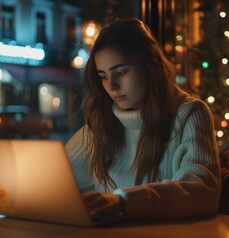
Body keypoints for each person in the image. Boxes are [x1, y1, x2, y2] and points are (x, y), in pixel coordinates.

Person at [65, 18, 220, 218]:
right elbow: (55, 179)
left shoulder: (190, 113)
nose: (111, 86)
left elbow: (200, 191)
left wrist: (122, 202)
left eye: (120, 72)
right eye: (103, 76)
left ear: (149, 65)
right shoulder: (103, 121)